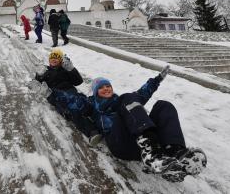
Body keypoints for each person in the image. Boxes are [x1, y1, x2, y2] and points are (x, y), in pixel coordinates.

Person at [50, 66, 207, 182]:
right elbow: (71, 101)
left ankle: (175, 154)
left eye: (108, 86)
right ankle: (150, 152)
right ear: (95, 91)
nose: (106, 89)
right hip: (121, 143)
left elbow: (141, 94)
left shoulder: (122, 100)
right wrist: (52, 93)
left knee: (163, 105)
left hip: (137, 136)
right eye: (101, 87)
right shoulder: (91, 104)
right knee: (128, 99)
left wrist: (157, 79)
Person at [35, 49, 101, 145]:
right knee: (73, 111)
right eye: (52, 58)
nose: (54, 59)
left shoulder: (65, 70)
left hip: (72, 93)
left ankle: (102, 119)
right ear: (49, 60)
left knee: (85, 103)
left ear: (61, 60)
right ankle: (92, 131)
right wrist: (39, 76)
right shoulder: (46, 72)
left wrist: (71, 70)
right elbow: (38, 84)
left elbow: (78, 82)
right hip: (57, 97)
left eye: (57, 58)